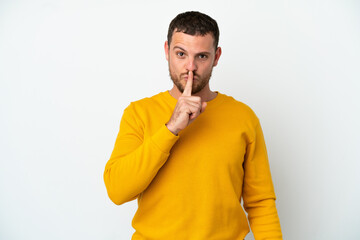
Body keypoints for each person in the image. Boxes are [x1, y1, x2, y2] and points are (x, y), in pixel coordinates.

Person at [104, 11, 282, 240]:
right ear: (167, 51)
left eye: (201, 57)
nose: (190, 67)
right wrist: (170, 129)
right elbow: (117, 191)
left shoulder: (243, 117)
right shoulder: (138, 113)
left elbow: (261, 203)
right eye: (181, 54)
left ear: (216, 57)